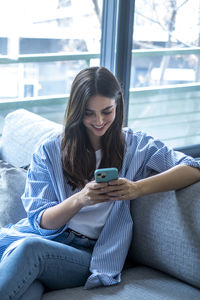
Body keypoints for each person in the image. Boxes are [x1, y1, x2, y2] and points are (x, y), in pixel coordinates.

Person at [0, 66, 200, 299]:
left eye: (107, 111)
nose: (99, 121)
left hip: (90, 254)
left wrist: (137, 188)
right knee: (28, 290)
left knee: (29, 251)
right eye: (89, 113)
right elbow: (40, 222)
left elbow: (193, 168)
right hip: (47, 239)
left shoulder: (136, 146)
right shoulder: (49, 151)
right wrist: (80, 199)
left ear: (118, 106)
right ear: (76, 111)